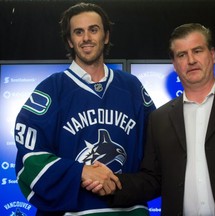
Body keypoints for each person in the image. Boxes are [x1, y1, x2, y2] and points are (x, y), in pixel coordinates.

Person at [87, 23, 215, 216]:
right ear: (174, 64)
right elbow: (152, 180)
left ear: (212, 54)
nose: (191, 60)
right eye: (182, 55)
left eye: (197, 51)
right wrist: (113, 184)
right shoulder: (160, 118)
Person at [14, 2, 155, 216]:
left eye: (93, 29)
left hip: (128, 211)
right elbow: (29, 160)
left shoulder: (132, 87)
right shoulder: (51, 89)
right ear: (70, 41)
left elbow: (155, 155)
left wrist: (118, 184)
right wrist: (81, 172)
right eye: (78, 32)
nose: (86, 38)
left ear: (106, 36)